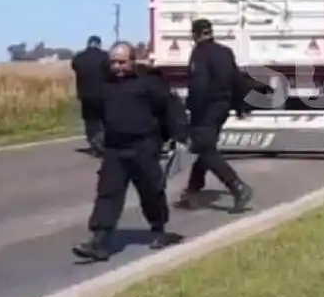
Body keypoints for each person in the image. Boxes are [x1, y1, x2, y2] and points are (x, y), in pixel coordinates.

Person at [73, 41, 188, 262]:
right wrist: (96, 136)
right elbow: (93, 114)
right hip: (115, 149)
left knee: (152, 191)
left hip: (143, 146)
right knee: (108, 193)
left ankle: (159, 229)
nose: (117, 67)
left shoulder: (149, 84)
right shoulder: (104, 87)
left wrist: (178, 134)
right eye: (114, 62)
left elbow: (170, 108)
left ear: (132, 61)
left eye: (122, 62)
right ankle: (100, 240)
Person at [173, 18, 254, 213]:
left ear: (195, 34)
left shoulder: (199, 53)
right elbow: (238, 80)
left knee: (205, 149)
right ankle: (192, 190)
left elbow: (199, 86)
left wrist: (192, 108)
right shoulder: (225, 52)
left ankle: (237, 186)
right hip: (222, 108)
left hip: (205, 109)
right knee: (205, 148)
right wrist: (240, 106)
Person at [71, 35, 110, 156]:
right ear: (98, 44)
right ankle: (102, 143)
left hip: (85, 95)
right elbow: (109, 71)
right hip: (103, 94)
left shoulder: (78, 57)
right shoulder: (104, 56)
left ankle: (94, 142)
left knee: (90, 120)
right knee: (104, 120)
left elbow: (74, 67)